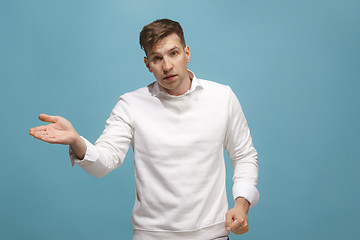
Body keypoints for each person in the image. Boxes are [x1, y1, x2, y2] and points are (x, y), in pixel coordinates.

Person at [29, 19, 259, 240]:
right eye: (157, 58)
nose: (167, 66)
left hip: (213, 234)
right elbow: (104, 163)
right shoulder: (131, 104)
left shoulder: (222, 97)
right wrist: (77, 141)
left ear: (186, 53)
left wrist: (241, 204)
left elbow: (244, 155)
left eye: (173, 53)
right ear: (148, 64)